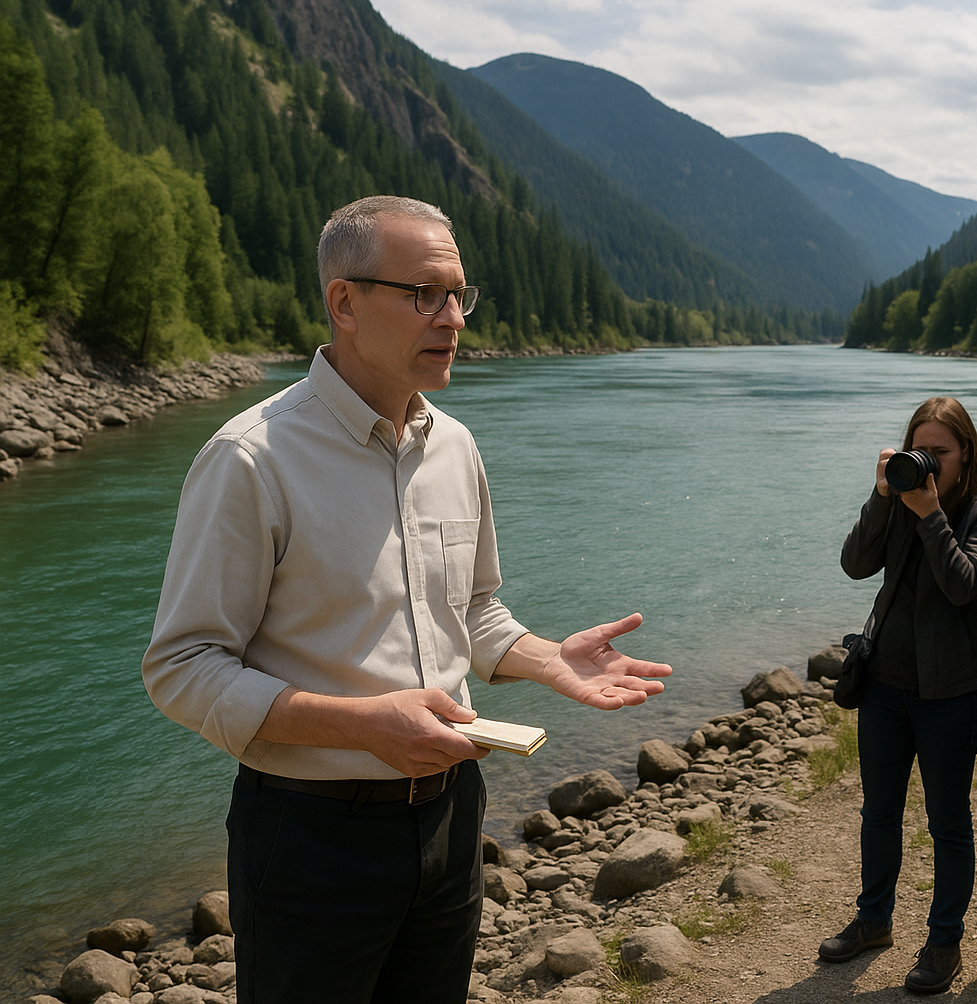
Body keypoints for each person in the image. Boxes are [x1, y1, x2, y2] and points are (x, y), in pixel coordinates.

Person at [141, 195, 671, 1004]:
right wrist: (363, 725)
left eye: (461, 294)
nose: (453, 317)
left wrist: (546, 660)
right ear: (344, 303)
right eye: (425, 294)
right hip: (312, 836)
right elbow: (181, 668)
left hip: (453, 820)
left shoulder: (455, 445)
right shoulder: (251, 460)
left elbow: (474, 611)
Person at [819, 397, 977, 995]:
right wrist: (883, 498)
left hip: (951, 694)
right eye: (918, 449)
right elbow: (853, 564)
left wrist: (930, 515)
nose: (928, 463)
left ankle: (943, 942)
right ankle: (873, 920)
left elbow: (962, 588)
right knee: (879, 814)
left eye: (940, 453)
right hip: (884, 688)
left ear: (965, 454)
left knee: (947, 822)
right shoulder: (898, 501)